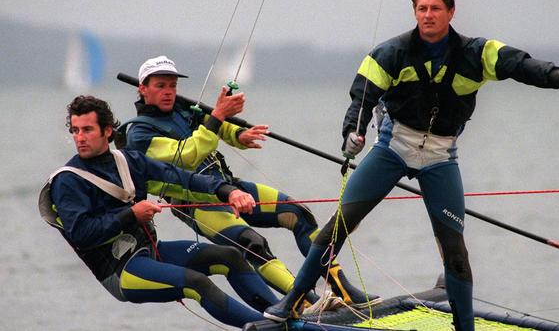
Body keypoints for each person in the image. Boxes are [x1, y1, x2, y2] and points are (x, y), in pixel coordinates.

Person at [263, 0, 559, 330]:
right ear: (414, 12)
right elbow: (362, 96)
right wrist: (352, 132)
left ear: (451, 12)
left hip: (440, 156)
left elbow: (520, 64)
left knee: (455, 251)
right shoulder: (391, 52)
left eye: (435, 8)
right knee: (338, 225)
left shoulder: (477, 52)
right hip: (392, 149)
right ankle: (292, 300)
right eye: (421, 9)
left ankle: (464, 327)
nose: (428, 15)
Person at [121, 55, 380, 309]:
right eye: (160, 86)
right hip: (198, 204)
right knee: (253, 244)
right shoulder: (139, 134)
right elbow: (189, 154)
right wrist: (219, 114)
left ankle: (342, 288)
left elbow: (218, 127)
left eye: (173, 86)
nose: (169, 92)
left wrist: (239, 134)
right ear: (142, 89)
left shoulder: (182, 109)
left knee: (298, 213)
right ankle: (306, 301)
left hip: (230, 186)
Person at [38, 95, 280, 328]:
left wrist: (228, 191)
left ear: (108, 130)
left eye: (87, 130)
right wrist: (131, 214)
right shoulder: (69, 181)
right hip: (121, 271)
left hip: (152, 251)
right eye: (75, 131)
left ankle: (282, 316)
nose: (80, 137)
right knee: (197, 283)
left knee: (230, 256)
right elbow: (81, 234)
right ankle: (273, 329)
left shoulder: (129, 161)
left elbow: (182, 178)